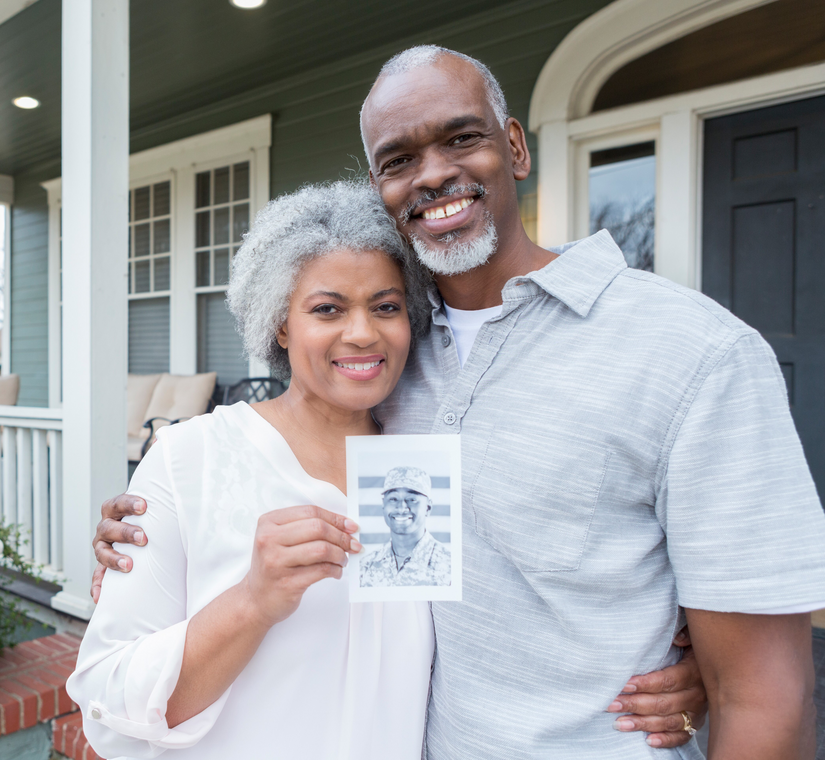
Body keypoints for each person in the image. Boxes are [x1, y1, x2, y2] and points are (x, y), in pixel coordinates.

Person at [94, 44, 825, 756]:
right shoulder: (399, 362)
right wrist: (168, 537)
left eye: (461, 138)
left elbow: (765, 694)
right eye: (398, 160)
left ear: (514, 146)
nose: (433, 174)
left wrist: (706, 670)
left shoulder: (693, 351)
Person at [68, 181, 438, 759]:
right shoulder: (191, 458)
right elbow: (108, 702)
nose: (363, 332)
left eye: (386, 306)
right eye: (327, 308)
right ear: (281, 323)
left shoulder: (424, 469)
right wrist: (252, 601)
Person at [360, 465, 451, 587]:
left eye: (412, 499)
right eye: (393, 499)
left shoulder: (449, 566)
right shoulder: (366, 566)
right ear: (383, 505)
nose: (402, 507)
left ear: (428, 508)